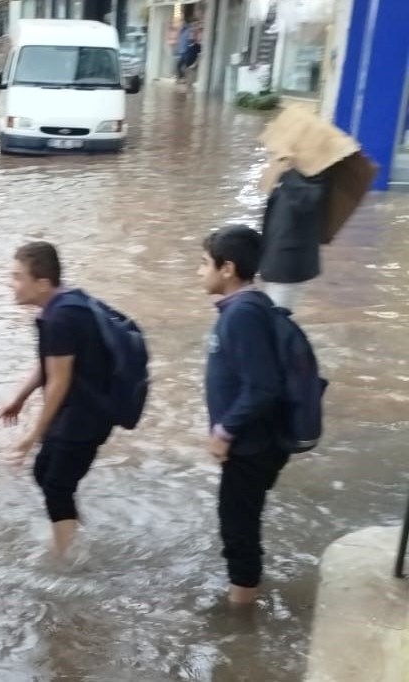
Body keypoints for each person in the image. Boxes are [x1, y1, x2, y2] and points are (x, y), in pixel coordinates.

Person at [0, 242, 113, 559]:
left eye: (18, 277)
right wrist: (19, 398)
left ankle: (66, 563)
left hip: (85, 415)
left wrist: (33, 435)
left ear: (43, 284)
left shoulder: (61, 319)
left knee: (56, 485)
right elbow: (50, 364)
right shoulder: (61, 305)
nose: (12, 283)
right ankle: (76, 534)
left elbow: (59, 381)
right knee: (45, 472)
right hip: (81, 409)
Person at [199, 226, 290, 605]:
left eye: (204, 263)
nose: (198, 271)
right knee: (240, 523)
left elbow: (263, 386)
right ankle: (245, 598)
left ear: (227, 269)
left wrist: (224, 430)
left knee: (238, 529)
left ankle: (242, 616)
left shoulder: (242, 315)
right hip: (253, 442)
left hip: (252, 445)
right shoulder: (245, 308)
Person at [259, 169, 327, 312]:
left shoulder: (308, 179)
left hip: (289, 265)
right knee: (272, 315)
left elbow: (304, 202)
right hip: (278, 261)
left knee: (276, 318)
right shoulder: (290, 177)